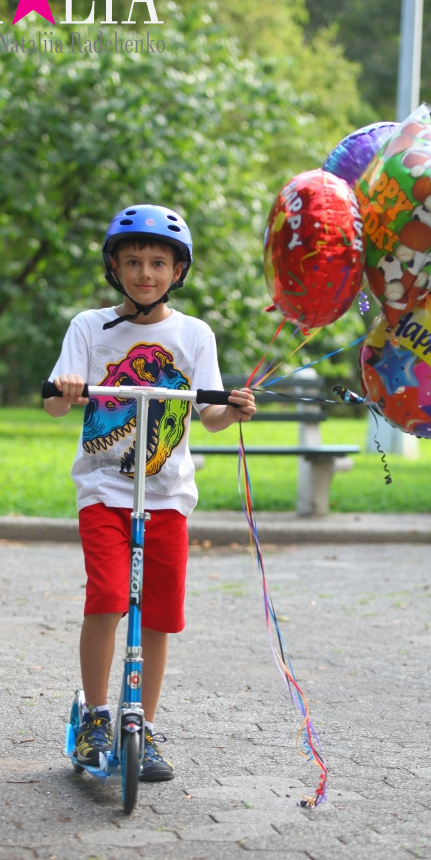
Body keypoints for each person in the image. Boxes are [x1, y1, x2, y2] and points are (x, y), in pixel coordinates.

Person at [44, 203, 256, 782]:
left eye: (158, 262)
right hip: (104, 490)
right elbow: (56, 402)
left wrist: (232, 408)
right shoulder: (89, 327)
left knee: (159, 614)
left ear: (177, 271)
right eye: (133, 261)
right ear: (114, 267)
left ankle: (144, 724)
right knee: (109, 597)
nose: (145, 273)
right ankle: (95, 716)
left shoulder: (194, 334)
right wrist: (65, 387)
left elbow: (209, 415)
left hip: (167, 498)